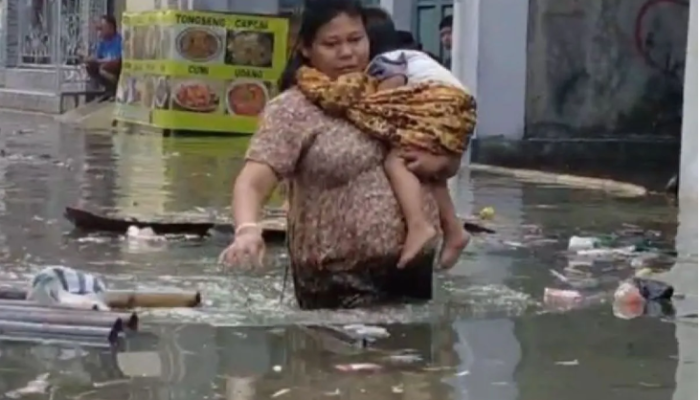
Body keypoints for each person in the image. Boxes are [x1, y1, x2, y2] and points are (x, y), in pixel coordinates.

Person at [219, 0, 462, 310]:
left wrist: (441, 163)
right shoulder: (293, 110)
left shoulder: (395, 94)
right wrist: (247, 231)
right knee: (330, 357)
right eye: (331, 44)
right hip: (335, 278)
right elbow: (252, 183)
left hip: (411, 269)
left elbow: (446, 158)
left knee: (410, 353)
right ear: (307, 49)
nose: (347, 52)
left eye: (356, 40)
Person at [294, 17, 476, 269]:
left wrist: (364, 108)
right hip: (457, 109)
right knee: (421, 164)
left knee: (398, 161)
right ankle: (454, 229)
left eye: (356, 40)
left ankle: (418, 225)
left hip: (440, 105)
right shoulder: (414, 57)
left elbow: (388, 102)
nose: (348, 53)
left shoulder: (386, 62)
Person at [85, 15, 122, 99]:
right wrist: (89, 59)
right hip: (104, 66)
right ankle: (108, 89)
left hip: (116, 69)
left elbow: (117, 60)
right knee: (90, 67)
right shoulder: (102, 42)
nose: (100, 31)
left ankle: (116, 88)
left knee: (103, 69)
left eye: (102, 28)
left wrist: (100, 62)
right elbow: (97, 56)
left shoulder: (119, 40)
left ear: (110, 27)